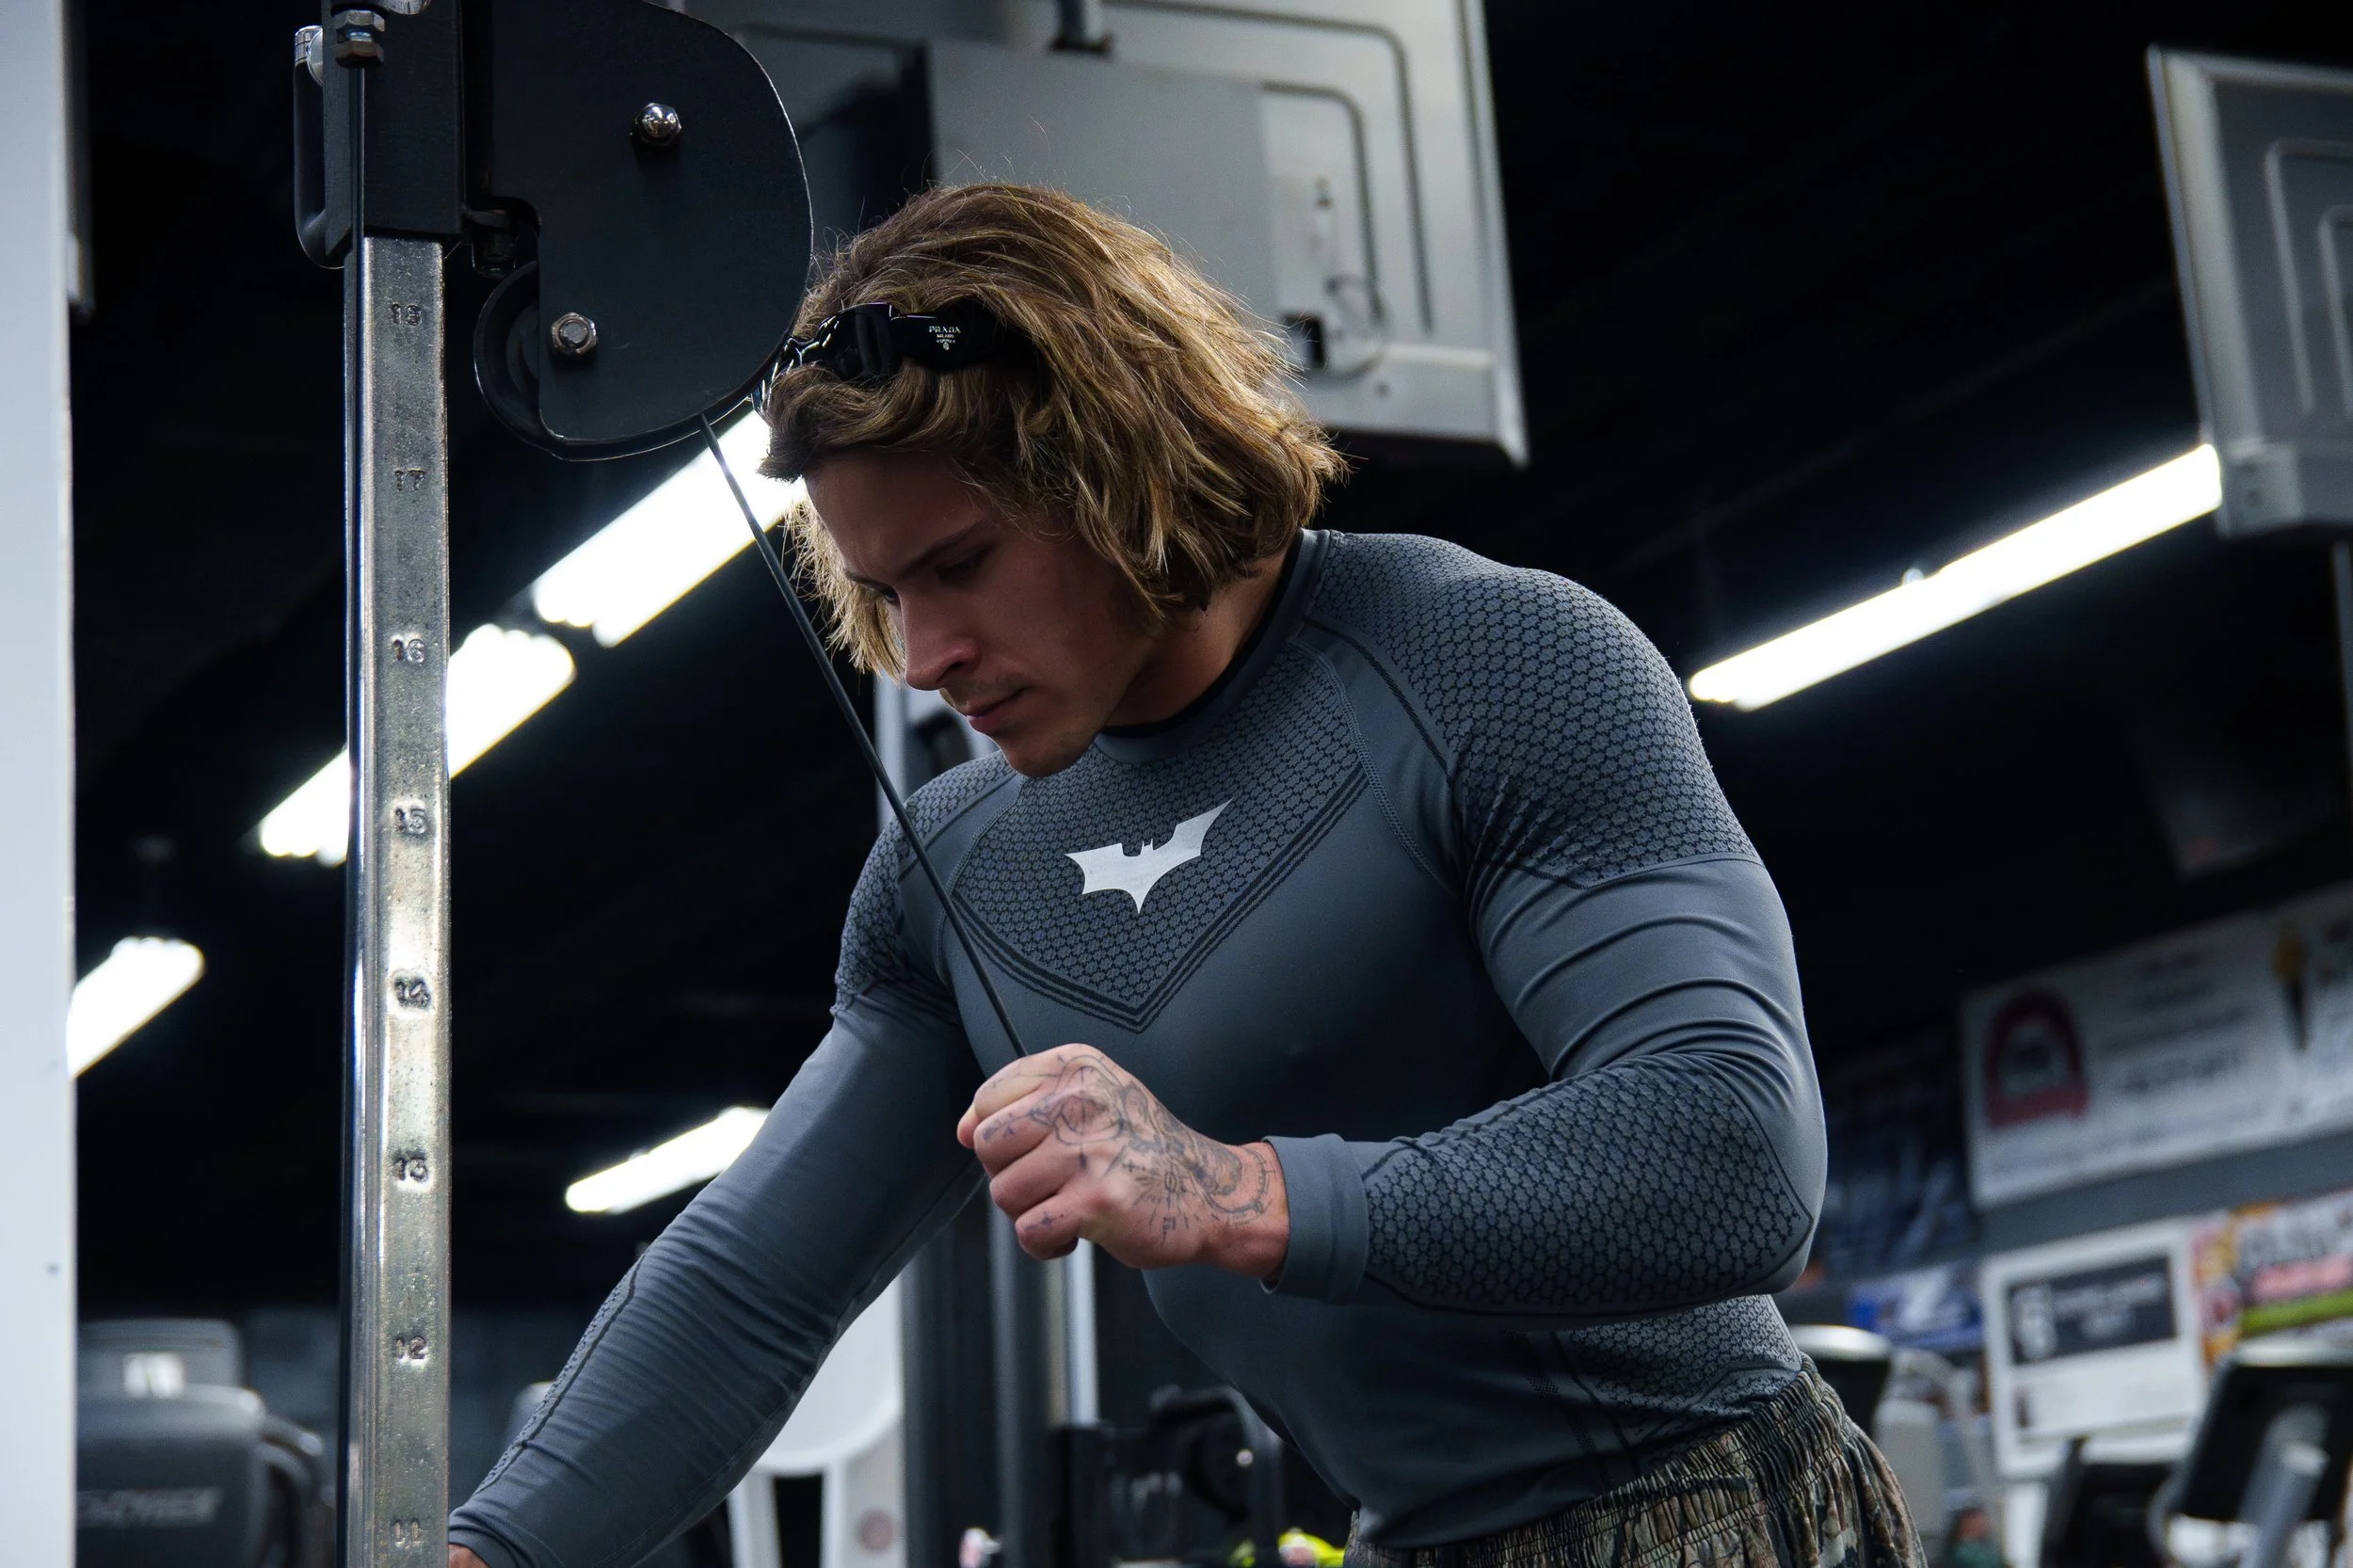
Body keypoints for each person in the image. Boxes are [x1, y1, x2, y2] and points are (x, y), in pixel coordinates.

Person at [448, 183, 1920, 1568]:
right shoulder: (947, 870)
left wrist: (1239, 1189)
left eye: (962, 562)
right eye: (886, 590)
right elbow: (748, 1290)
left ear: (1120, 464)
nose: (929, 653)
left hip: (1697, 1498)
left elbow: (1734, 1143)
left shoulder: (1486, 659)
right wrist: (486, 1548)